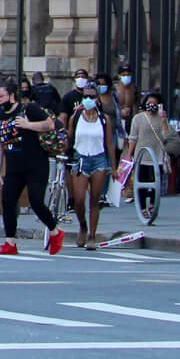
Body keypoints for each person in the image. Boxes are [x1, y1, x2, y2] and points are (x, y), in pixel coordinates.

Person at [0, 78, 64, 256]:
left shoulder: (27, 109)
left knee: (36, 201)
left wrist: (28, 125)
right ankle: (10, 242)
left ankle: (55, 231)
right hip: (14, 166)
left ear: (12, 96)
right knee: (8, 200)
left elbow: (49, 124)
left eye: (1, 96)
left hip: (35, 163)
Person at [67, 90, 115, 251]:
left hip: (98, 159)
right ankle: (83, 226)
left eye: (91, 97)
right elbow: (69, 137)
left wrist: (114, 167)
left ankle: (92, 235)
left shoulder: (104, 119)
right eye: (85, 97)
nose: (88, 100)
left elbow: (109, 144)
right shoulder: (76, 118)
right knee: (79, 199)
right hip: (80, 158)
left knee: (95, 199)